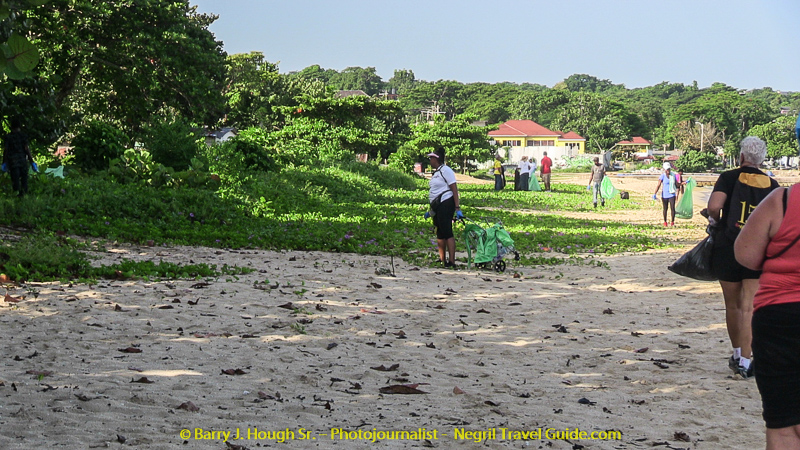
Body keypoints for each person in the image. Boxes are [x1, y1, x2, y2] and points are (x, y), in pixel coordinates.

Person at [735, 182, 800, 448]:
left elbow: (746, 256)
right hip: (780, 319)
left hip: (780, 317)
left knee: (783, 424)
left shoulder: (782, 200)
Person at [708, 136, 779, 378]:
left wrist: (715, 221)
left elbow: (714, 207)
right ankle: (747, 362)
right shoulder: (772, 185)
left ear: (741, 157)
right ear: (762, 159)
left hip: (728, 247)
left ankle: (737, 353)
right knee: (749, 306)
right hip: (758, 251)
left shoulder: (728, 178)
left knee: (733, 305)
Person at [426, 148, 462, 268]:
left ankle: (451, 261)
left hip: (446, 203)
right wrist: (431, 211)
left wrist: (457, 207)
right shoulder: (436, 172)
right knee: (440, 232)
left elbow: (454, 188)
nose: (430, 160)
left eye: (431, 158)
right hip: (437, 205)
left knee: (447, 232)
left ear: (437, 159)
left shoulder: (446, 170)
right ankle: (442, 259)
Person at [2, 117, 35, 197]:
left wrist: (4, 162)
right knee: (24, 180)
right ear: (19, 126)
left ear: (11, 126)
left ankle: (17, 196)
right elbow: (26, 149)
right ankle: (24, 196)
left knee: (15, 180)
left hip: (13, 162)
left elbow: (6, 150)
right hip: (22, 161)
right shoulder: (23, 136)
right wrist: (31, 161)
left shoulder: (8, 137)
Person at [653, 162, 681, 226]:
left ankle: (672, 222)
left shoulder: (673, 175)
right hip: (664, 195)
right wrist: (655, 193)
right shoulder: (662, 176)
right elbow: (658, 185)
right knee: (665, 209)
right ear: (664, 169)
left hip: (672, 194)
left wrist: (683, 183)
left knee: (672, 208)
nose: (668, 170)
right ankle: (665, 222)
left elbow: (677, 184)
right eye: (667, 169)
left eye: (669, 169)